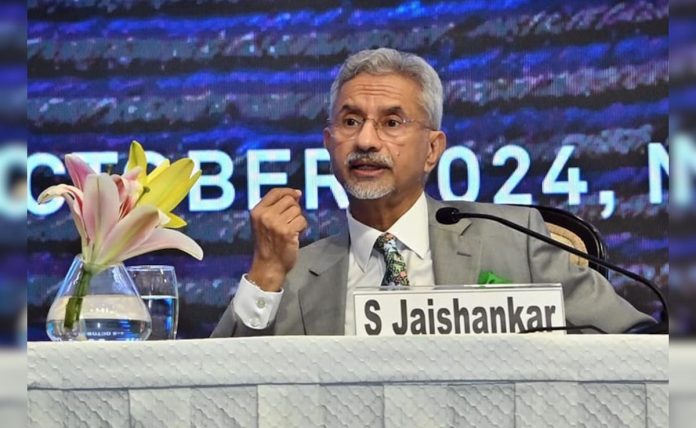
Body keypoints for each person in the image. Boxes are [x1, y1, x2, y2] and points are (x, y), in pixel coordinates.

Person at [211, 48, 654, 337]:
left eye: (391, 122)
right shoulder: (291, 275)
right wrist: (266, 273)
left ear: (432, 149)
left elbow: (635, 341)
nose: (365, 140)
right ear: (329, 143)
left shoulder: (514, 240)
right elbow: (217, 391)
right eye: (350, 121)